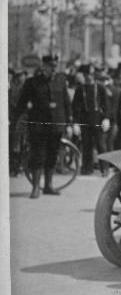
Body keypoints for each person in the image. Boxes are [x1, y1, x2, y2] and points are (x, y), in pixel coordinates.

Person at [14, 54, 72, 198]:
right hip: (38, 126)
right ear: (44, 66)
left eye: (55, 66)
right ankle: (35, 188)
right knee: (37, 156)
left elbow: (66, 103)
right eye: (50, 66)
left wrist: (70, 123)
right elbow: (21, 103)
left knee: (52, 156)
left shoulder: (61, 81)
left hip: (56, 125)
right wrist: (14, 119)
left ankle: (48, 186)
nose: (53, 69)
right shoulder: (32, 83)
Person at [72, 64, 110, 175]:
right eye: (86, 74)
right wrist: (75, 122)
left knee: (101, 145)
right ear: (83, 75)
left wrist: (106, 118)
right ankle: (87, 168)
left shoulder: (101, 88)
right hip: (85, 120)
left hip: (98, 120)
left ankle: (105, 168)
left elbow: (106, 105)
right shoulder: (80, 89)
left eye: (91, 74)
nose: (89, 76)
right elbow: (75, 107)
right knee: (86, 144)